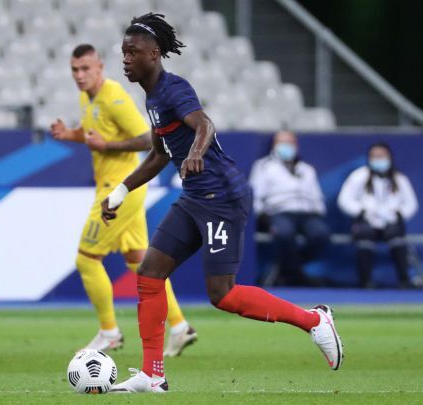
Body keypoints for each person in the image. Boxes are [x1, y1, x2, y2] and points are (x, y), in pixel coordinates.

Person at [101, 13, 344, 393]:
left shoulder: (173, 88)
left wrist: (196, 153)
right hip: (195, 197)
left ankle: (314, 321)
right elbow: (160, 154)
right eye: (123, 53)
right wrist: (119, 192)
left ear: (154, 54)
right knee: (149, 274)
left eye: (132, 52)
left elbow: (204, 125)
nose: (126, 59)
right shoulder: (153, 98)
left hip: (221, 197)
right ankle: (153, 374)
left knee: (223, 294)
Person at [50, 43, 197, 356]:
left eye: (86, 69)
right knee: (140, 262)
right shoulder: (86, 98)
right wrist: (71, 134)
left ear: (100, 68)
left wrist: (107, 147)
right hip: (117, 188)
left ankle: (109, 332)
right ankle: (180, 326)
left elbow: (148, 139)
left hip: (119, 189)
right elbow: (94, 133)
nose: (80, 75)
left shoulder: (114, 96)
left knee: (87, 259)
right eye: (75, 70)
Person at [249, 130, 330, 285]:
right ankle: (296, 275)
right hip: (279, 212)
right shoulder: (263, 166)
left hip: (307, 214)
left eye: (290, 142)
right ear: (274, 145)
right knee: (285, 234)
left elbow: (317, 196)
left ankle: (289, 270)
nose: (286, 146)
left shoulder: (306, 169)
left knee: (321, 235)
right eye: (282, 142)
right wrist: (261, 215)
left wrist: (318, 211)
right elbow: (255, 194)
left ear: (296, 145)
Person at [337, 142, 418, 288]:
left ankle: (404, 280)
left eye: (382, 156)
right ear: (369, 158)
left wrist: (398, 214)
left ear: (389, 157)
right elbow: (344, 200)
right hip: (367, 221)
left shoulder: (399, 178)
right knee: (365, 235)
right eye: (375, 156)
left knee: (396, 234)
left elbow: (411, 203)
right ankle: (365, 281)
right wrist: (361, 211)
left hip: (391, 221)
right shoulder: (359, 176)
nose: (378, 159)